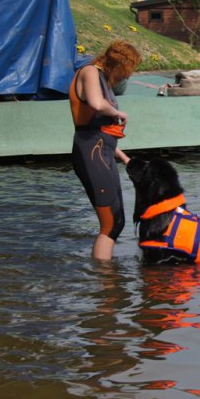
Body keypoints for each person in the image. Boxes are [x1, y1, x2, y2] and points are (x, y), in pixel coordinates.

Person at [70, 40, 142, 259]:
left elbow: (105, 134)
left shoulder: (105, 81)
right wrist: (119, 113)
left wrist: (126, 159)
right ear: (115, 62)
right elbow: (95, 103)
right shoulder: (90, 72)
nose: (126, 76)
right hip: (90, 153)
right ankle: (104, 276)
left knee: (118, 221)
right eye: (125, 71)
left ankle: (107, 273)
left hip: (103, 153)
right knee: (110, 224)